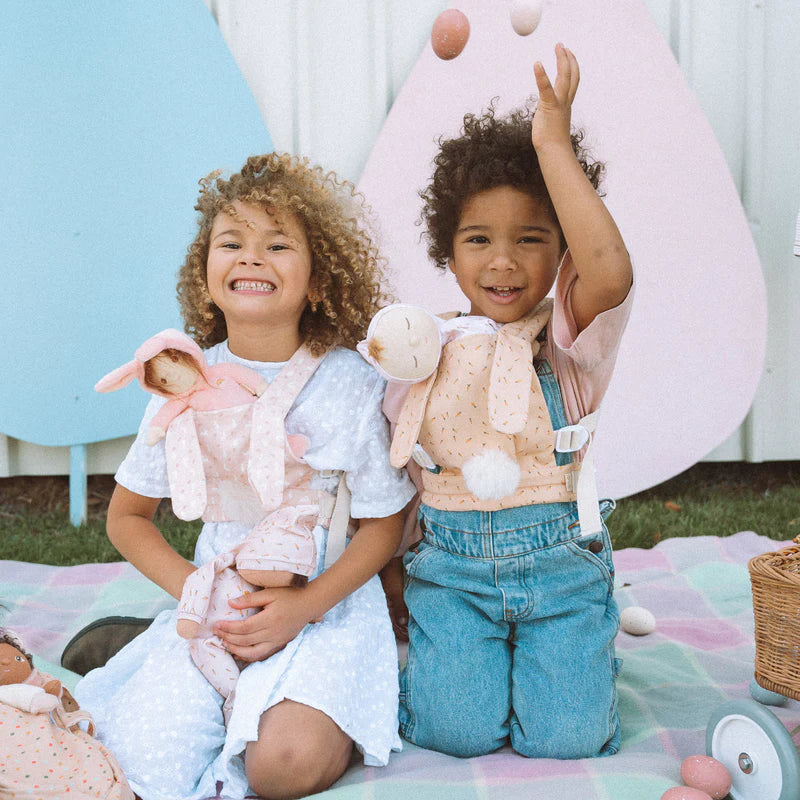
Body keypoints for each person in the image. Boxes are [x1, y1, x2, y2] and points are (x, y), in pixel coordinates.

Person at [74, 152, 415, 800]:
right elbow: (126, 519)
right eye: (232, 243)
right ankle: (153, 656)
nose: (252, 258)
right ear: (206, 276)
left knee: (278, 770)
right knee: (146, 763)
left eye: (278, 244)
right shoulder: (183, 381)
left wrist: (304, 608)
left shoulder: (349, 383)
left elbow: (383, 524)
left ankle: (311, 704)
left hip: (324, 609)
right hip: (213, 611)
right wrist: (195, 593)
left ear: (319, 279)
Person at [379, 44, 634, 759]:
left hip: (561, 573)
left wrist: (553, 148)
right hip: (451, 577)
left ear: (562, 251)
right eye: (478, 239)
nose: (502, 261)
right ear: (448, 250)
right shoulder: (420, 349)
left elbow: (611, 271)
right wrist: (394, 574)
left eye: (532, 238)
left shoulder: (568, 338)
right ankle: (471, 668)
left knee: (567, 741)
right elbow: (400, 470)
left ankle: (585, 658)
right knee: (453, 732)